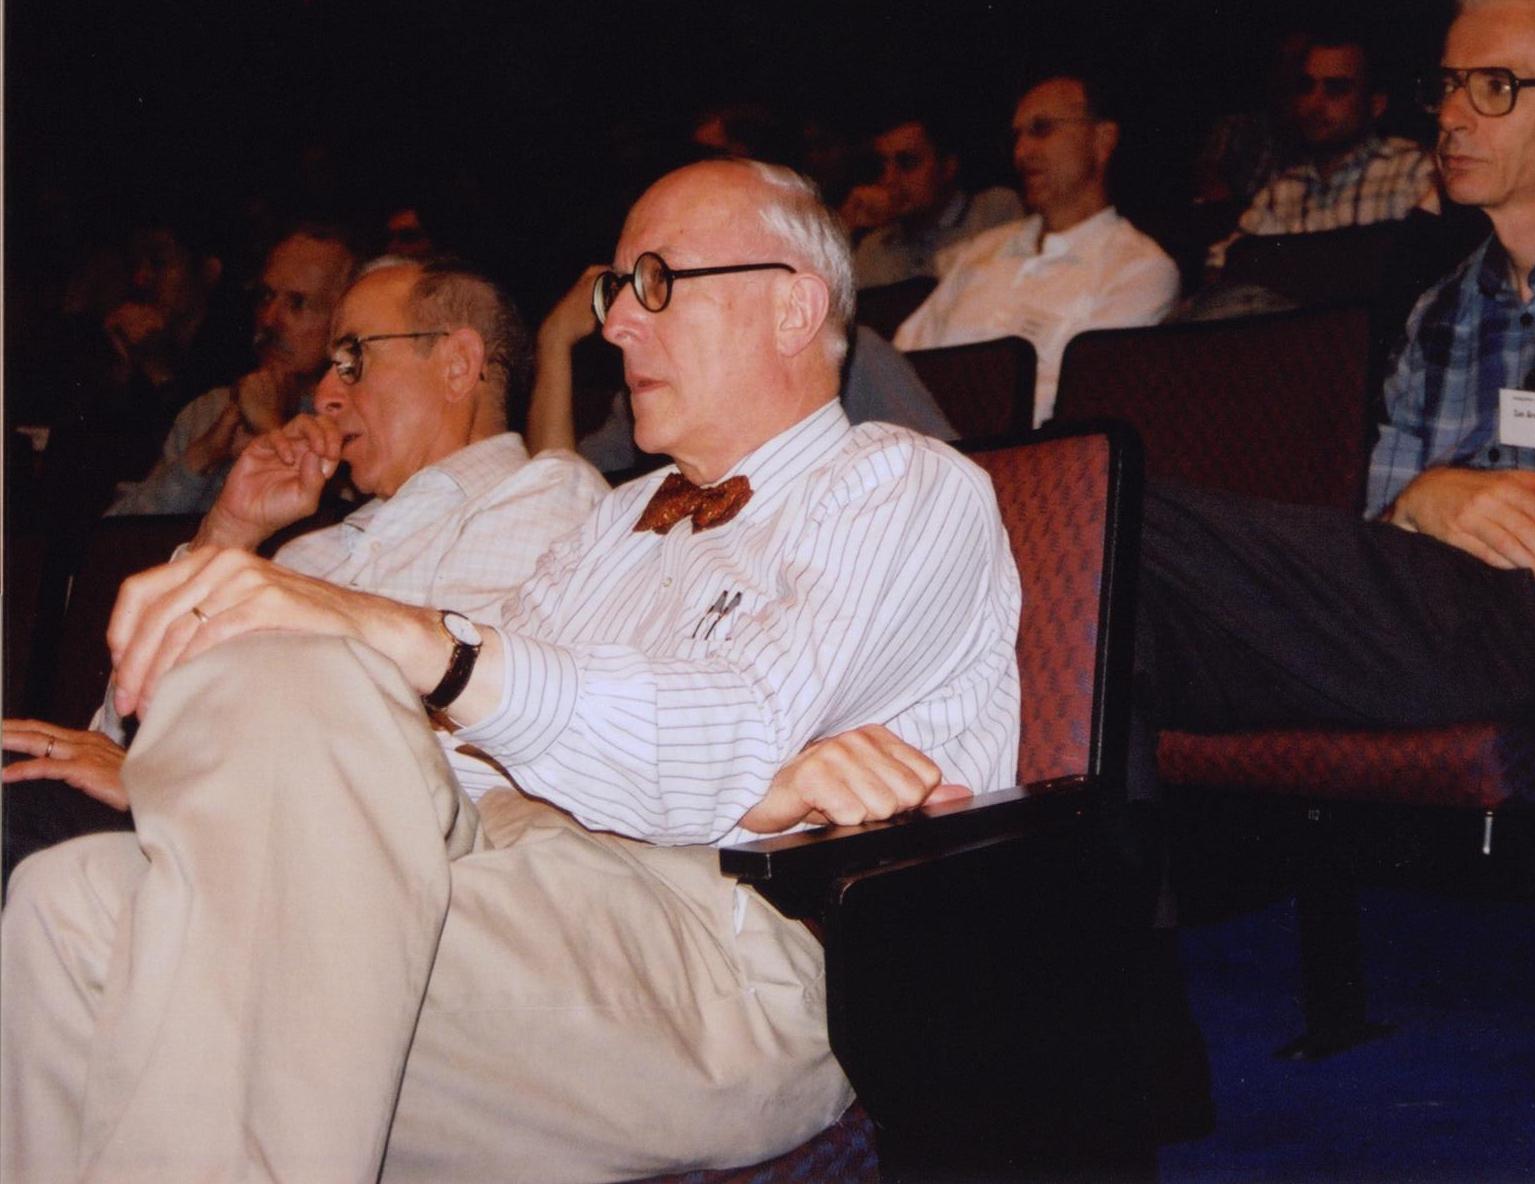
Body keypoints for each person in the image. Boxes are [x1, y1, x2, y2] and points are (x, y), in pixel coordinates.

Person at [2, 159, 1021, 1182]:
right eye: (614, 292)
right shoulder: (617, 519)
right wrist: (207, 773)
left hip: (724, 956)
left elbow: (729, 736)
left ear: (793, 307)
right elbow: (467, 764)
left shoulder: (901, 485)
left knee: (318, 686)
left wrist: (407, 640)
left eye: (655, 283)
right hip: (513, 878)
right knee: (69, 902)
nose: (618, 325)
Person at [1139, 0, 1535, 736]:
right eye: (1447, 85)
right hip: (1444, 618)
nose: (1451, 117)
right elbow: (1391, 530)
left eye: (1496, 85)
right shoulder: (1443, 310)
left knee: (1126, 520)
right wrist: (1427, 499)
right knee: (1122, 633)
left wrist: (1432, 505)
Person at [3, 257, 610, 831]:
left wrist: (168, 787)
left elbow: (456, 765)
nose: (324, 395)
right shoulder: (308, 552)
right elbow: (121, 726)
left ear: (457, 365)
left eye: (353, 360)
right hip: (192, 834)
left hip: (328, 864)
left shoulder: (540, 498)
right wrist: (230, 530)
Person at [894, 75, 1180, 427]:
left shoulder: (1138, 268)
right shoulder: (982, 249)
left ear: (1102, 140)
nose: (1021, 153)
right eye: (1017, 136)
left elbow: (1073, 408)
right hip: (914, 440)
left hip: (1017, 452)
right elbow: (902, 361)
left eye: (1042, 129)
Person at [526, 262, 956, 471]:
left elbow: (950, 476)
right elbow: (556, 497)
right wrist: (553, 344)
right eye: (623, 287)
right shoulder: (652, 391)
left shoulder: (854, 356)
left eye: (659, 279)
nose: (619, 320)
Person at [106, 225, 358, 516]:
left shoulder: (357, 417)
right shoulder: (211, 411)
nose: (269, 319)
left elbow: (344, 530)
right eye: (266, 297)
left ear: (344, 319)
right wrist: (201, 457)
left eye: (297, 303)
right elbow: (117, 532)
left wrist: (270, 429)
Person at [1202, 23, 1440, 277]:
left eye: (1336, 89)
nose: (1315, 103)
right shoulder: (1281, 192)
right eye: (1306, 86)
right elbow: (1220, 267)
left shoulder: (1413, 171)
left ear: (1375, 104)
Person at [849, 115, 1024, 289]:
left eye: (907, 163)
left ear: (947, 167)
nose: (889, 179)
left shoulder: (993, 210)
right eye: (882, 167)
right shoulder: (874, 246)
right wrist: (848, 226)